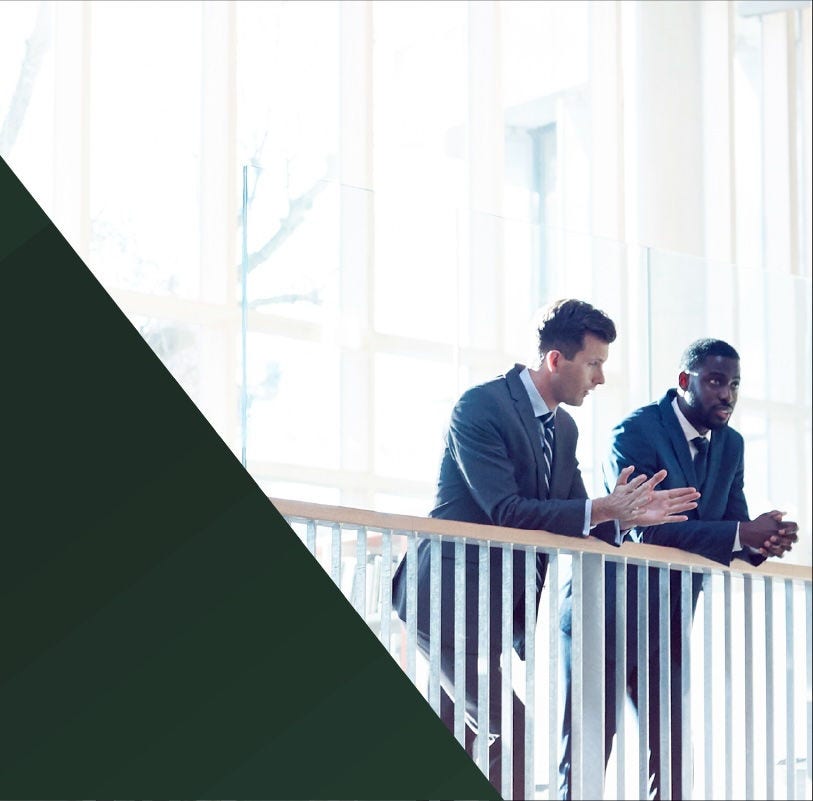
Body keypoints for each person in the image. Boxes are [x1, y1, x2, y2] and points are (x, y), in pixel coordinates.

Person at [391, 299, 700, 800]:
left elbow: (576, 514)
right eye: (594, 363)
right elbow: (507, 510)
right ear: (556, 360)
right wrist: (603, 509)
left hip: (490, 609)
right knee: (506, 727)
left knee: (470, 733)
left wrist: (625, 518)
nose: (599, 379)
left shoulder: (564, 427)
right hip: (445, 597)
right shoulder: (481, 406)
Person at [558, 337, 799, 800]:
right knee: (589, 759)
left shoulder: (730, 445)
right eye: (714, 382)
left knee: (672, 762)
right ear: (685, 381)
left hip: (666, 623)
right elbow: (642, 529)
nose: (726, 394)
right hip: (605, 615)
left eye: (733, 385)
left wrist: (762, 541)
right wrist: (738, 533)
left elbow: (729, 528)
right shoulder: (636, 433)